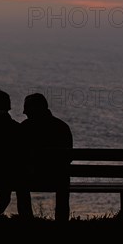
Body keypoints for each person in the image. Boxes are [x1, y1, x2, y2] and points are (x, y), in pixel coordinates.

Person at [19, 93, 73, 221]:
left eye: (26, 108)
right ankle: (62, 221)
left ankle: (26, 220)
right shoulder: (62, 127)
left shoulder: (24, 128)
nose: (24, 112)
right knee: (63, 179)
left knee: (20, 181)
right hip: (57, 178)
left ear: (34, 109)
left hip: (30, 178)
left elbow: (18, 156)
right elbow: (68, 157)